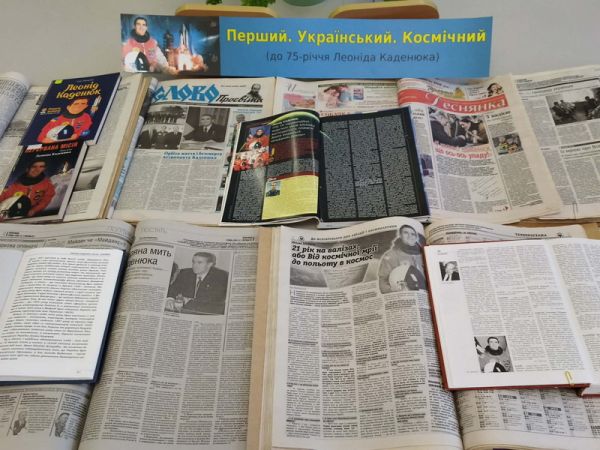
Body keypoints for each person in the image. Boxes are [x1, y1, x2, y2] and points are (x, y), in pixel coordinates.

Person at [378, 225, 426, 293]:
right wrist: (393, 290)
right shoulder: (391, 255)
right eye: (406, 233)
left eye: (413, 234)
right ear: (400, 235)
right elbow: (383, 282)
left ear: (416, 237)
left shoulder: (424, 253)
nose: (410, 236)